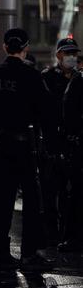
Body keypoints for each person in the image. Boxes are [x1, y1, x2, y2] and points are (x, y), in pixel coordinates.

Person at [0, 28, 51, 270]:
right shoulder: (32, 76)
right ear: (25, 47)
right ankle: (29, 254)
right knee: (31, 201)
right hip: (25, 146)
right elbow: (46, 114)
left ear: (5, 47)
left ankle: (0, 252)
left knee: (1, 200)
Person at [41, 38, 80, 247]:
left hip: (71, 142)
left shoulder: (78, 78)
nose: (71, 57)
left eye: (74, 54)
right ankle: (50, 233)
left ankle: (67, 232)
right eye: (67, 53)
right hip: (52, 140)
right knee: (50, 189)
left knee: (70, 191)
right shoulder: (47, 77)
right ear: (58, 56)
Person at [62, 61, 83, 252]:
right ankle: (73, 237)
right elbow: (69, 110)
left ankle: (73, 237)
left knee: (77, 192)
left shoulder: (78, 80)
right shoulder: (79, 80)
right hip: (79, 143)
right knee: (77, 191)